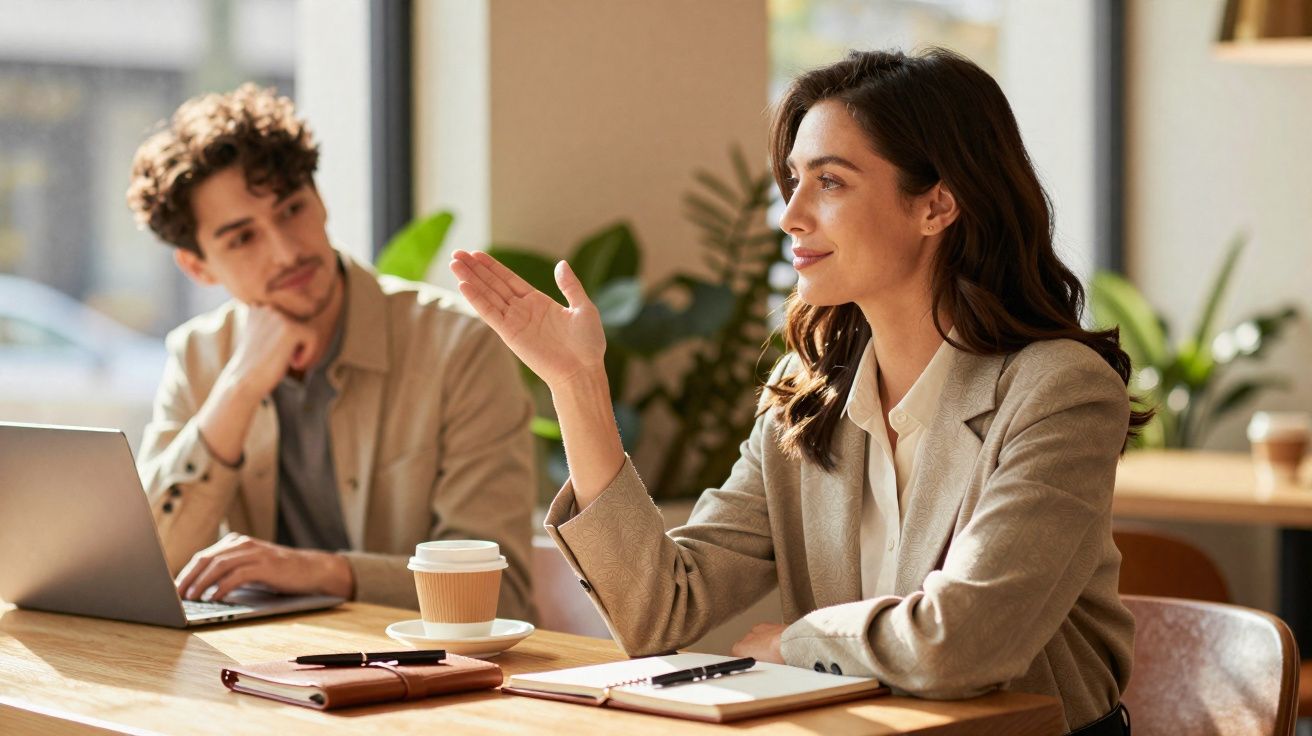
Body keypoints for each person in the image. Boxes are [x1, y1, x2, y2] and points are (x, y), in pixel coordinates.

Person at [450, 48, 1146, 734]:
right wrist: (577, 385)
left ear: (936, 204)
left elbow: (964, 641)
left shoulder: (1058, 392)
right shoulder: (808, 394)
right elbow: (660, 611)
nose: (791, 215)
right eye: (794, 179)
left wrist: (795, 644)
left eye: (832, 182)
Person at [126, 84, 536, 623]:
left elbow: (497, 593)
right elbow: (149, 567)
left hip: (421, 674)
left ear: (319, 200)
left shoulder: (459, 346)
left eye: (292, 208)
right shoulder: (200, 356)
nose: (287, 250)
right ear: (198, 267)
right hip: (259, 670)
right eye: (242, 238)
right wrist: (240, 387)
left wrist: (324, 572)